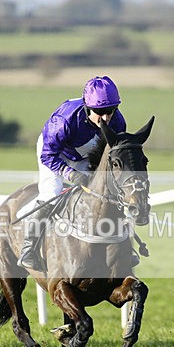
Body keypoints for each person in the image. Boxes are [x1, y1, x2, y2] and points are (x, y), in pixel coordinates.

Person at [17, 76, 127, 271]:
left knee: (105, 192)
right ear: (87, 107)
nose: (106, 117)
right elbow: (48, 155)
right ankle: (29, 248)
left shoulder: (118, 122)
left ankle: (123, 248)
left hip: (84, 154)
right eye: (100, 112)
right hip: (55, 152)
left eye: (110, 111)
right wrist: (70, 174)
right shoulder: (65, 120)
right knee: (52, 193)